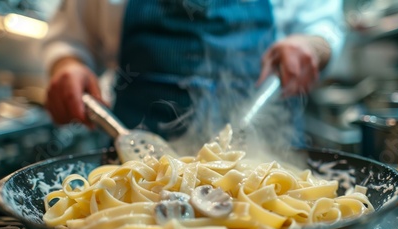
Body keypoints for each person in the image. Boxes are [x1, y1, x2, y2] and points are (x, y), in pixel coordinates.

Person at [43, 0, 344, 152]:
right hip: (132, 156)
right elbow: (71, 40)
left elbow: (323, 28)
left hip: (265, 150)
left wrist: (311, 46)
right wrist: (68, 66)